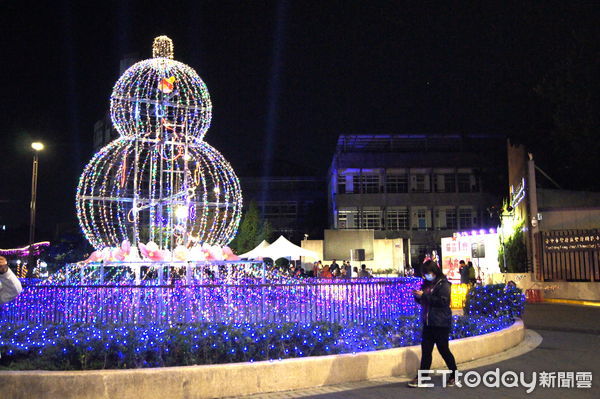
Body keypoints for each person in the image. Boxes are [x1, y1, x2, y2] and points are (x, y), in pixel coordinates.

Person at [408, 260, 457, 387]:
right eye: (425, 274)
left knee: (443, 350)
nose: (427, 276)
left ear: (434, 271)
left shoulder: (443, 284)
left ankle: (454, 375)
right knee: (426, 351)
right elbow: (425, 301)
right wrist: (418, 297)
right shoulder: (427, 284)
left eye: (428, 273)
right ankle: (422, 377)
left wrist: (424, 296)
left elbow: (442, 302)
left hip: (440, 323)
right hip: (428, 322)